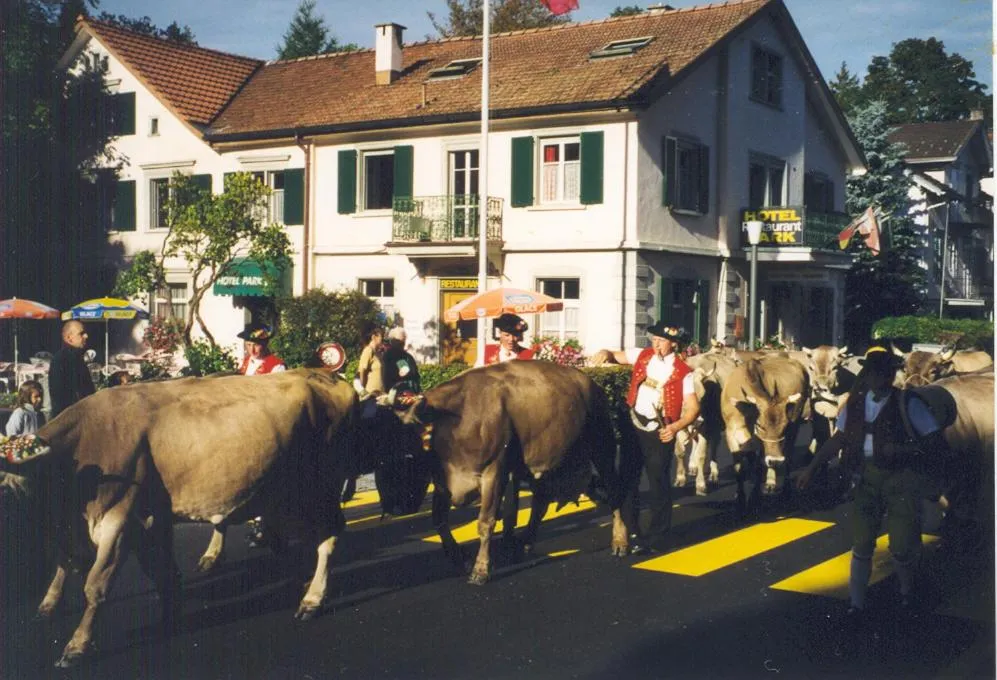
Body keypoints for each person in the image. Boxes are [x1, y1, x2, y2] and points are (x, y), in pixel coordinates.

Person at [796, 345, 945, 617]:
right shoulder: (854, 404)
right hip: (865, 478)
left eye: (886, 373)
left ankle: (906, 593)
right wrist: (811, 468)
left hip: (900, 480)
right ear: (867, 375)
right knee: (861, 543)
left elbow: (934, 442)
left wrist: (901, 451)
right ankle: (857, 602)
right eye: (875, 374)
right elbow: (837, 439)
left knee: (901, 545)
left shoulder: (907, 403)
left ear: (891, 375)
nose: (880, 379)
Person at [620, 321, 701, 555]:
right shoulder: (642, 355)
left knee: (658, 484)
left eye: (661, 341)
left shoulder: (683, 372)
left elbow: (693, 408)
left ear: (673, 345)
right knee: (628, 479)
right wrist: (605, 353)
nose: (655, 344)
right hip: (634, 424)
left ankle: (657, 537)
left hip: (660, 430)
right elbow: (618, 356)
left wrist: (675, 428)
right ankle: (633, 531)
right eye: (653, 339)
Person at [49, 320, 96, 419]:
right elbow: (61, 397)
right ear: (69, 338)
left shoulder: (76, 357)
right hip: (70, 421)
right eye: (81, 333)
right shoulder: (63, 359)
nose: (86, 336)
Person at [382, 327, 421, 394]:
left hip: (411, 394)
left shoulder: (408, 357)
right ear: (392, 341)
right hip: (395, 394)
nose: (402, 345)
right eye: (399, 342)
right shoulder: (388, 356)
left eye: (403, 342)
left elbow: (415, 376)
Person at [356, 322, 385, 396]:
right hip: (370, 396)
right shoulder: (368, 350)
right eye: (381, 336)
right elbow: (362, 371)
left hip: (380, 395)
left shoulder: (378, 353)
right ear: (373, 337)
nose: (382, 339)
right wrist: (363, 391)